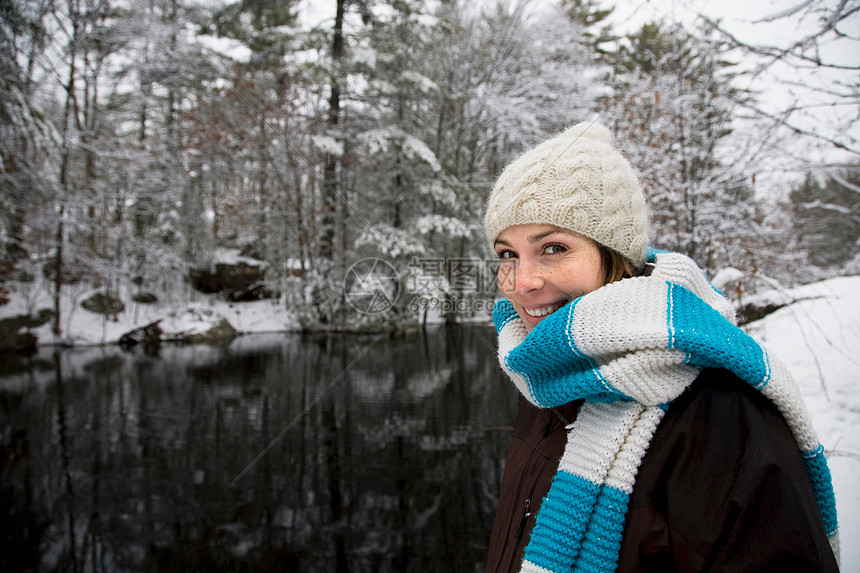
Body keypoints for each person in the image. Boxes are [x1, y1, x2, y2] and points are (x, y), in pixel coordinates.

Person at [482, 121, 840, 573]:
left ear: (615, 256)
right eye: (507, 254)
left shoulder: (723, 413)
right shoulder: (543, 374)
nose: (522, 281)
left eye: (553, 247)